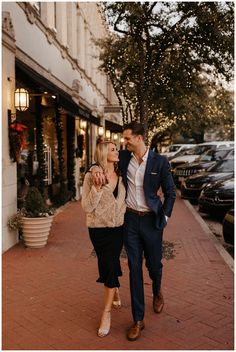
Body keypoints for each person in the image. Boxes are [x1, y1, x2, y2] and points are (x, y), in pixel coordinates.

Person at [91, 122, 176, 341]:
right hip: (129, 221)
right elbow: (101, 157)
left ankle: (157, 289)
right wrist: (94, 168)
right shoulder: (124, 157)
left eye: (127, 138)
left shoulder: (160, 161)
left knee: (154, 265)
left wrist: (164, 217)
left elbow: (170, 193)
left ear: (139, 138)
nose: (123, 142)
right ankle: (138, 319)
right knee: (134, 268)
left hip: (151, 222)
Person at [81, 141, 126, 338]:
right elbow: (87, 207)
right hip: (98, 229)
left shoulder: (122, 172)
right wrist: (97, 188)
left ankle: (106, 314)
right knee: (107, 263)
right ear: (103, 153)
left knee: (109, 263)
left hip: (118, 229)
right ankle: (114, 289)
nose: (117, 152)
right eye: (113, 149)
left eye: (117, 149)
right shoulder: (92, 176)